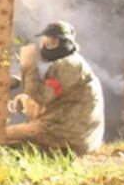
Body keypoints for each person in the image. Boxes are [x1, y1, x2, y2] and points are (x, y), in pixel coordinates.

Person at [6, 21, 104, 155]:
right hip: (72, 133)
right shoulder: (70, 63)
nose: (46, 47)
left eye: (53, 43)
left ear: (66, 44)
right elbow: (58, 102)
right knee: (11, 139)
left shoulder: (68, 66)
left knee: (1, 137)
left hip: (66, 136)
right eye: (45, 42)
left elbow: (42, 96)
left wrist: (29, 66)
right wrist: (25, 101)